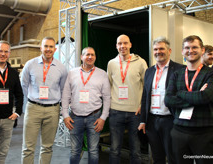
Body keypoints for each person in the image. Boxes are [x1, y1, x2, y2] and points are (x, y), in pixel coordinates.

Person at [165, 35, 213, 164]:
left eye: (194, 47)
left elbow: (206, 96)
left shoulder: (210, 74)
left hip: (204, 134)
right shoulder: (177, 74)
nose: (190, 50)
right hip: (179, 131)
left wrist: (180, 93)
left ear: (202, 50)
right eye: (187, 48)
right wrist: (196, 96)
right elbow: (168, 100)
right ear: (182, 51)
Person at [21, 37, 67, 164]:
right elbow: (24, 86)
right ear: (41, 48)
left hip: (53, 109)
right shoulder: (30, 64)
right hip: (33, 108)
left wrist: (62, 110)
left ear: (55, 49)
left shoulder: (61, 67)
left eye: (51, 47)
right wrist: (29, 103)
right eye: (45, 46)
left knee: (47, 147)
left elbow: (63, 90)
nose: (48, 49)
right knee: (28, 147)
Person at [138, 37, 183, 164]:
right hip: (152, 121)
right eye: (155, 49)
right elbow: (145, 96)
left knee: (173, 156)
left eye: (161, 48)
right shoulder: (149, 71)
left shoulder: (179, 70)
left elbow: (182, 96)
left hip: (170, 120)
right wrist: (143, 120)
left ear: (169, 51)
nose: (158, 52)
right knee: (157, 157)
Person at [62, 47, 111, 164]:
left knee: (93, 150)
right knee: (74, 151)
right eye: (87, 54)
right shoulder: (72, 73)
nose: (90, 57)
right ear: (81, 57)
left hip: (94, 117)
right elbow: (65, 95)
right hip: (74, 118)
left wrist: (103, 118)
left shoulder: (102, 74)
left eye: (92, 55)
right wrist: (65, 115)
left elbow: (107, 97)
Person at [107, 34, 148, 164]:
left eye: (125, 43)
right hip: (115, 111)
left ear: (130, 45)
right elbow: (109, 85)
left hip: (135, 112)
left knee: (135, 150)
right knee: (114, 149)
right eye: (119, 44)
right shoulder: (111, 63)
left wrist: (143, 105)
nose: (122, 46)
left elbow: (147, 87)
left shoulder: (141, 62)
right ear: (116, 46)